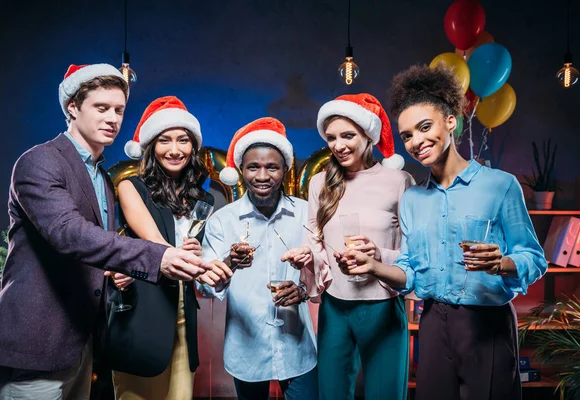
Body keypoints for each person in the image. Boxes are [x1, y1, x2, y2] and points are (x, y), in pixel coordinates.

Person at [0, 64, 210, 400]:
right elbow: (68, 234)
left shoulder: (102, 178)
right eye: (101, 108)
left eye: (118, 110)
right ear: (73, 108)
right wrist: (159, 256)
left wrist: (119, 273)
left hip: (83, 343)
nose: (112, 119)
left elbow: (94, 251)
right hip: (37, 342)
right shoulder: (41, 161)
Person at [338, 65, 548, 400]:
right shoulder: (412, 199)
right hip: (434, 323)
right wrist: (373, 266)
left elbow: (534, 259)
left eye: (424, 127)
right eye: (407, 135)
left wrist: (500, 263)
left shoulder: (501, 186)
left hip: (487, 324)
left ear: (451, 120)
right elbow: (409, 272)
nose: (416, 141)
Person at [282, 93, 413, 400]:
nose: (338, 145)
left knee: (386, 395)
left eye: (347, 135)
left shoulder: (399, 181)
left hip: (383, 306)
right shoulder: (320, 183)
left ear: (368, 134)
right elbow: (313, 240)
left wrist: (378, 256)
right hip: (335, 309)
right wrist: (306, 255)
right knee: (332, 395)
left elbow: (413, 254)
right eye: (331, 138)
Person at [103, 96, 230, 399]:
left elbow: (190, 254)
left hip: (184, 313)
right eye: (164, 141)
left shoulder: (205, 200)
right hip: (142, 311)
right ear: (151, 147)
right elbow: (158, 246)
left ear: (193, 146)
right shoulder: (131, 187)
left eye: (183, 140)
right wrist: (198, 264)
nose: (175, 150)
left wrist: (209, 263)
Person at [198, 117, 318, 400]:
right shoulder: (223, 221)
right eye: (253, 167)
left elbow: (324, 270)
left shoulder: (306, 214)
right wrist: (229, 263)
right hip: (246, 349)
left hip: (297, 346)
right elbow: (205, 286)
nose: (262, 176)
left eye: (272, 167)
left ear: (285, 170)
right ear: (241, 169)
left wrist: (302, 291)